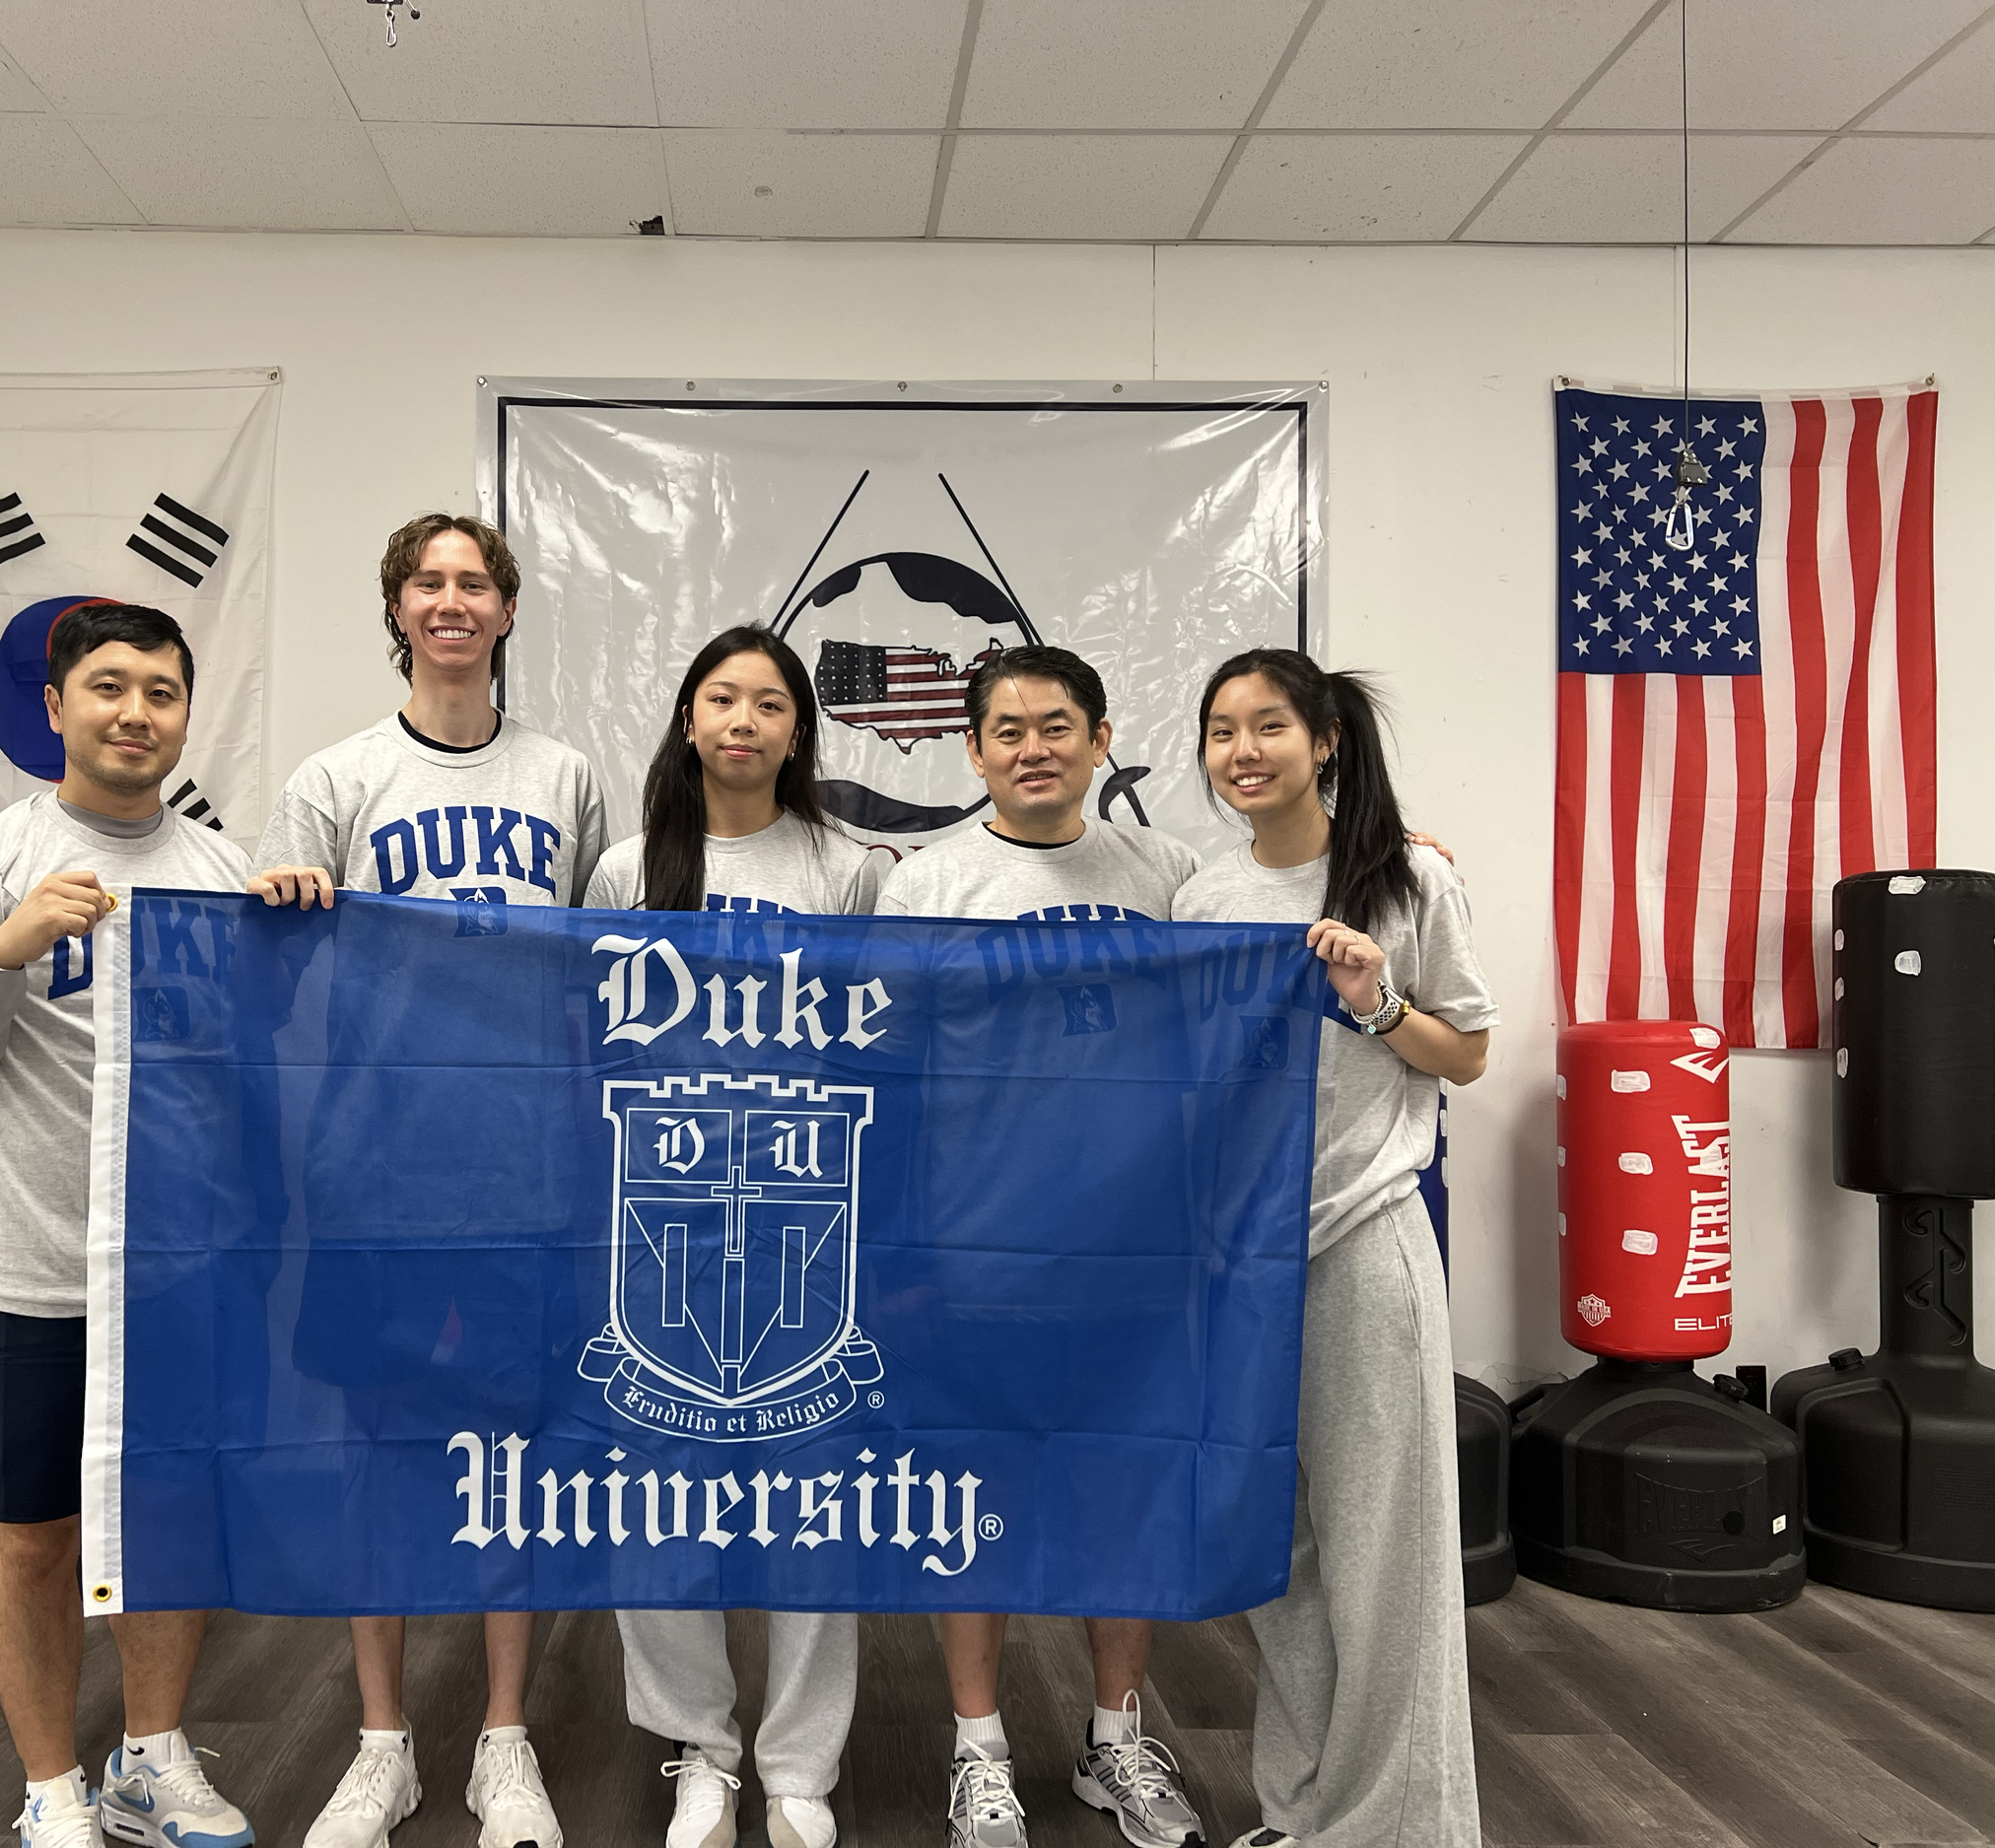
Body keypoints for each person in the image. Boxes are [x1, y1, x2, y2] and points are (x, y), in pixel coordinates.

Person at [252, 512, 604, 1848]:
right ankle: (384, 1739)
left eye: (474, 583)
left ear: (507, 613)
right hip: (375, 1168)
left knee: (513, 1442)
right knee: (382, 1449)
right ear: (397, 609)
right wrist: (279, 899)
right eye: (427, 582)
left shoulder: (566, 775)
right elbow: (277, 976)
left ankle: (503, 1738)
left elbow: (586, 974)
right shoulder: (334, 778)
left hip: (520, 1165)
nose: (450, 601)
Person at [0, 603, 255, 1848]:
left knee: (165, 1524)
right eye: (109, 687)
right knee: (36, 1535)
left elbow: (260, 1069)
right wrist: (4, 954)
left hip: (181, 1269)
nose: (136, 712)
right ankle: (51, 1784)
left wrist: (303, 924)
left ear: (184, 718)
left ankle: (149, 1764)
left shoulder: (218, 868)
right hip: (39, 1266)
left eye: (162, 691)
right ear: (55, 709)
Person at [876, 645, 1207, 1848]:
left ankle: (1114, 1743)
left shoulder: (1169, 873)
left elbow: (1291, 907)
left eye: (1057, 725)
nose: (1033, 747)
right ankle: (979, 1751)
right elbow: (893, 1082)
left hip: (1129, 1246)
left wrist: (1390, 863)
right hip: (981, 1246)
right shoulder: (925, 887)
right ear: (970, 750)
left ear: (1101, 737)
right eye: (1006, 729)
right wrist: (902, 1254)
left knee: (1122, 1490)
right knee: (981, 1491)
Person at [1171, 649, 1494, 1848]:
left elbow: (1464, 1054)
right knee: (1286, 1552)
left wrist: (1373, 1002)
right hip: (1237, 1263)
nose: (1242, 751)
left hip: (1362, 1242)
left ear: (1326, 743)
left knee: (1387, 1556)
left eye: (1267, 727)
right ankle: (1303, 1812)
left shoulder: (1406, 880)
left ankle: (1400, 1828)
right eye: (1220, 731)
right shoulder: (1204, 898)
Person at [584, 625, 878, 1848]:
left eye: (769, 702)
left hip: (814, 1211)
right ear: (690, 720)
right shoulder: (621, 869)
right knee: (661, 1502)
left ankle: (798, 1765)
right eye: (722, 699)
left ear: (798, 729)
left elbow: (891, 1030)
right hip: (657, 1215)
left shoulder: (845, 866)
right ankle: (697, 1746)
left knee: (811, 1502)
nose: (744, 720)